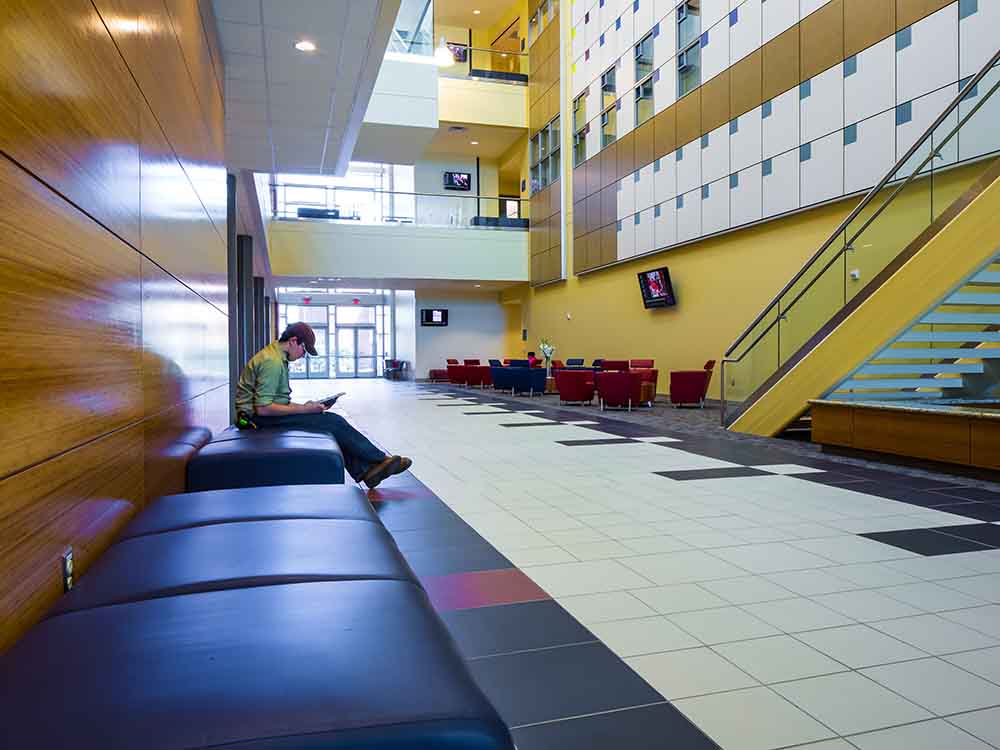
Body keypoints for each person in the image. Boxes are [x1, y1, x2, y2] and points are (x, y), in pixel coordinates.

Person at [235, 322, 412, 489]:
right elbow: (264, 408)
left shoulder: (276, 356)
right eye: (304, 350)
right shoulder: (272, 362)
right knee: (332, 422)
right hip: (255, 421)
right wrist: (304, 410)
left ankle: (368, 470)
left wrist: (306, 407)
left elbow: (276, 402)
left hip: (261, 417)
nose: (303, 355)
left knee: (328, 423)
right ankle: (378, 461)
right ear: (293, 341)